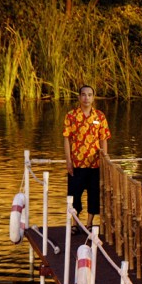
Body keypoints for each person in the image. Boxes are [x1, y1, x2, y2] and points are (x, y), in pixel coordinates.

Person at [63, 85, 111, 235]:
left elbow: (103, 139)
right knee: (74, 194)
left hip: (95, 164)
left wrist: (104, 159)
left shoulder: (100, 116)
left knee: (94, 194)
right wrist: (68, 161)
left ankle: (89, 223)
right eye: (83, 95)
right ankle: (75, 223)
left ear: (93, 98)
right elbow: (66, 139)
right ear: (79, 97)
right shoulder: (71, 116)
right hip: (77, 163)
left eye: (90, 95)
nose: (86, 98)